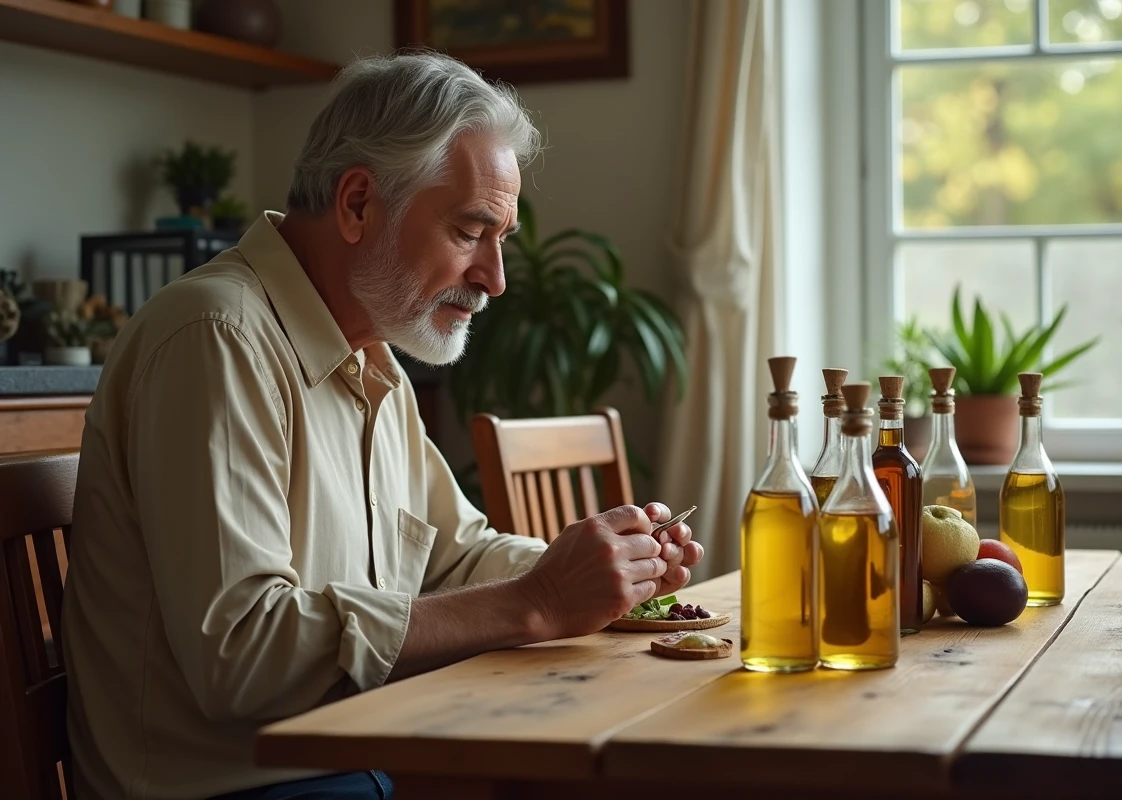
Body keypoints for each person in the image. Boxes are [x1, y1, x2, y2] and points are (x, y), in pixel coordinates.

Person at [61, 51, 703, 800]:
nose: (495, 278)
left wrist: (603, 574)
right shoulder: (218, 334)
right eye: (471, 232)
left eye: (503, 240)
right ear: (359, 203)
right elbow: (240, 655)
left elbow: (458, 557)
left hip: (352, 760)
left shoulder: (370, 356)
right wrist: (538, 601)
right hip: (236, 788)